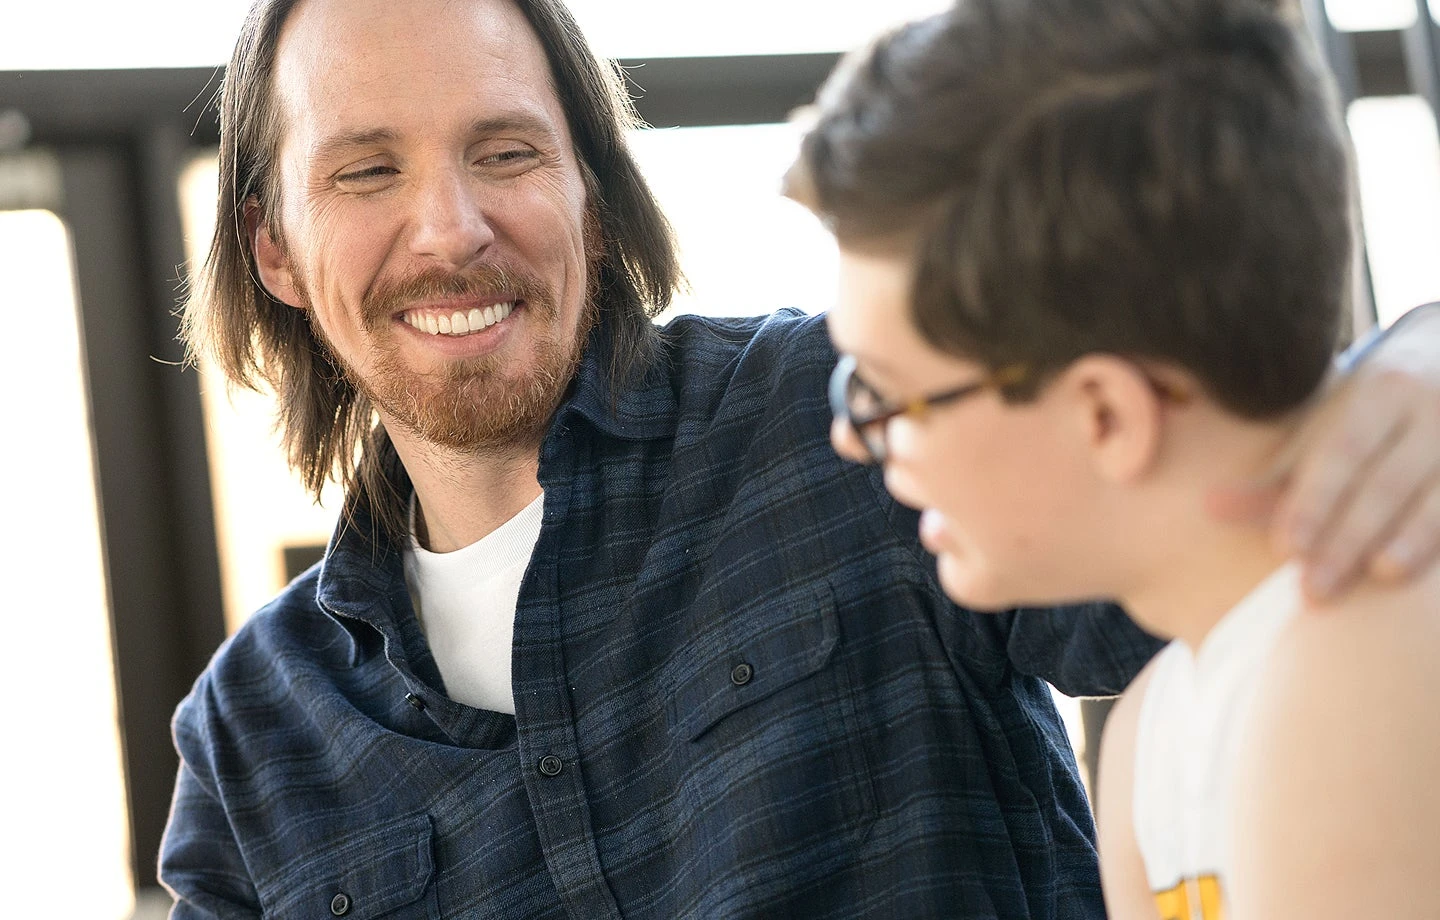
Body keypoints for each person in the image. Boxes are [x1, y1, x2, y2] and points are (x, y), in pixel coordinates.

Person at [162, 0, 1440, 916]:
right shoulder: (248, 744)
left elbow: (1223, 484)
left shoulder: (854, 416)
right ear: (273, 247)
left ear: (592, 200)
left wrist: (1416, 372)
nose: (450, 226)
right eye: (366, 170)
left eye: (507, 152)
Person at [791, 0, 1440, 917]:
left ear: (1106, 414)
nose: (852, 437)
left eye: (890, 395)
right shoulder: (1148, 735)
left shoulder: (1355, 668)